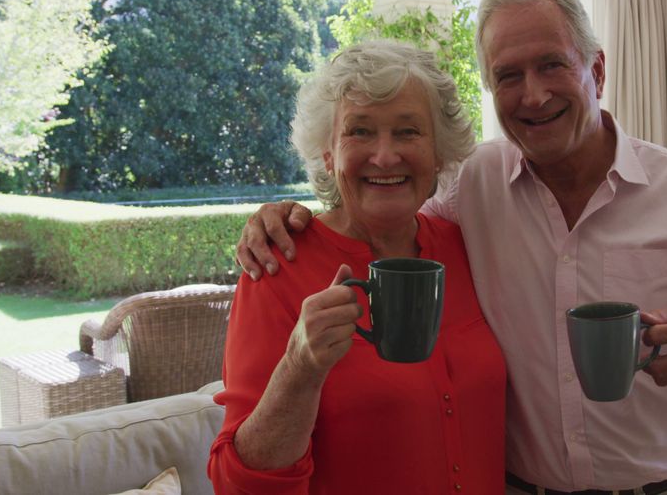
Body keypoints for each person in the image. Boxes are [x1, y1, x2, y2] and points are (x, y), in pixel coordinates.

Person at [236, 0, 667, 494]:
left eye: (552, 65)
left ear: (596, 71)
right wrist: (287, 216)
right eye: (508, 75)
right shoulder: (471, 189)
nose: (532, 95)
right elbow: (381, 199)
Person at [209, 40, 507, 494]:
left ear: (439, 152)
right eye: (360, 132)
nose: (385, 156)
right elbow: (237, 483)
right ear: (328, 154)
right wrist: (300, 368)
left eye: (408, 132)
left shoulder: (465, 246)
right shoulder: (278, 269)